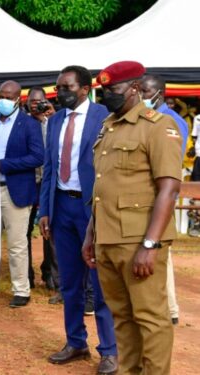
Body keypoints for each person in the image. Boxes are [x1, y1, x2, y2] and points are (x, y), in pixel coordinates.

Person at [84, 61, 182, 375]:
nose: (107, 96)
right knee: (122, 317)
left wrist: (150, 245)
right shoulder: (108, 127)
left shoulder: (158, 126)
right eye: (104, 90)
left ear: (135, 88)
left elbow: (168, 188)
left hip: (139, 239)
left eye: (113, 90)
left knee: (151, 318)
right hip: (108, 238)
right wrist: (91, 234)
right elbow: (102, 188)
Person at [38, 65, 118, 374]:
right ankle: (76, 342)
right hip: (62, 207)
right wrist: (45, 210)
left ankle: (109, 350)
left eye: (67, 87)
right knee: (69, 283)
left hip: (93, 210)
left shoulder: (104, 117)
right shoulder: (57, 119)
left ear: (85, 88)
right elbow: (49, 167)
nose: (61, 93)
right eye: (58, 88)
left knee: (100, 285)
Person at [0, 80, 45, 307]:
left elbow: (37, 157)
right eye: (1, 95)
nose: (4, 100)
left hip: (16, 191)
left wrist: (3, 165)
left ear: (18, 99)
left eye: (9, 96)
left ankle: (21, 290)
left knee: (16, 244)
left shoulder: (29, 124)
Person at [139, 74, 184, 325]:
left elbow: (170, 168)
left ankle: (171, 309)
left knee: (158, 251)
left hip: (161, 197)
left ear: (160, 94)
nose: (141, 96)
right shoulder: (143, 120)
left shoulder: (171, 121)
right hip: (142, 200)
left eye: (145, 92)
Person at [26, 87, 62, 303]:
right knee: (25, 230)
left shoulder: (55, 121)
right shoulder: (23, 122)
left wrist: (51, 115)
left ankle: (51, 274)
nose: (36, 105)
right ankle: (27, 275)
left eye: (40, 101)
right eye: (32, 101)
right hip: (29, 182)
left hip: (49, 183)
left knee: (51, 230)